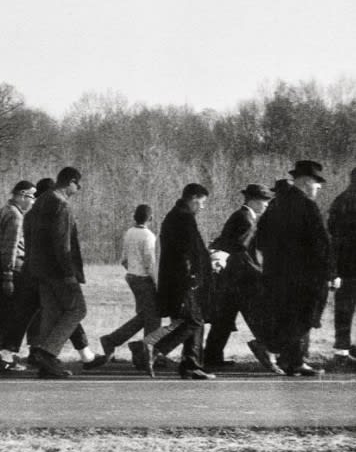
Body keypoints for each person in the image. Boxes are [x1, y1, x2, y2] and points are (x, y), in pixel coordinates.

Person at [253, 160, 337, 376]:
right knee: (304, 317)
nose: (318, 187)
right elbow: (321, 243)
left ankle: (292, 360)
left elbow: (260, 239)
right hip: (305, 275)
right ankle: (272, 347)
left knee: (288, 316)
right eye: (317, 183)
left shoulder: (276, 204)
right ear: (307, 181)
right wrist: (330, 273)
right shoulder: (307, 206)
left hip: (276, 273)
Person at [132, 184, 214, 379]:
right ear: (193, 198)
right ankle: (151, 347)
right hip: (183, 279)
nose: (202, 207)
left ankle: (190, 364)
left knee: (191, 320)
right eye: (201, 203)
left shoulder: (175, 215)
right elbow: (186, 251)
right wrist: (193, 274)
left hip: (176, 278)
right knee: (194, 320)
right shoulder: (183, 219)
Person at [203, 184, 275, 372]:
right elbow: (239, 251)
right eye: (264, 201)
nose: (266, 205)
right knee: (255, 316)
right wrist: (259, 273)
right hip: (239, 279)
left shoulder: (241, 216)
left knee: (224, 320)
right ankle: (265, 349)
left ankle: (212, 357)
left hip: (230, 278)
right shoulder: (246, 220)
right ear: (253, 201)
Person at [25, 166, 87, 379]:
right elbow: (63, 244)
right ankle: (47, 352)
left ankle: (45, 365)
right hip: (58, 270)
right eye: (78, 184)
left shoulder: (40, 201)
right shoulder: (61, 205)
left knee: (50, 315)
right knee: (77, 309)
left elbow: (28, 229)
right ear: (70, 181)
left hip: (39, 268)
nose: (78, 188)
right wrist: (69, 272)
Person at [0, 180, 35, 370]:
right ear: (21, 195)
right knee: (14, 314)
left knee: (2, 312)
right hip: (13, 268)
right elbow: (10, 247)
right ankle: (5, 357)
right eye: (31, 196)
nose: (33, 201)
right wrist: (8, 275)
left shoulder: (3, 210)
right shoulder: (15, 216)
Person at [96, 204, 160, 364]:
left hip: (132, 277)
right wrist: (157, 283)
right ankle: (147, 354)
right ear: (150, 218)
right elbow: (150, 263)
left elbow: (124, 259)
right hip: (144, 279)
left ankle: (113, 340)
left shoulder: (129, 233)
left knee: (145, 316)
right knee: (153, 318)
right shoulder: (149, 236)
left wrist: (131, 269)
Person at [326, 167, 356, 363]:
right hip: (349, 263)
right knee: (346, 308)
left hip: (344, 264)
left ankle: (342, 350)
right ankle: (343, 350)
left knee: (344, 309)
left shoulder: (341, 200)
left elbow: (332, 232)